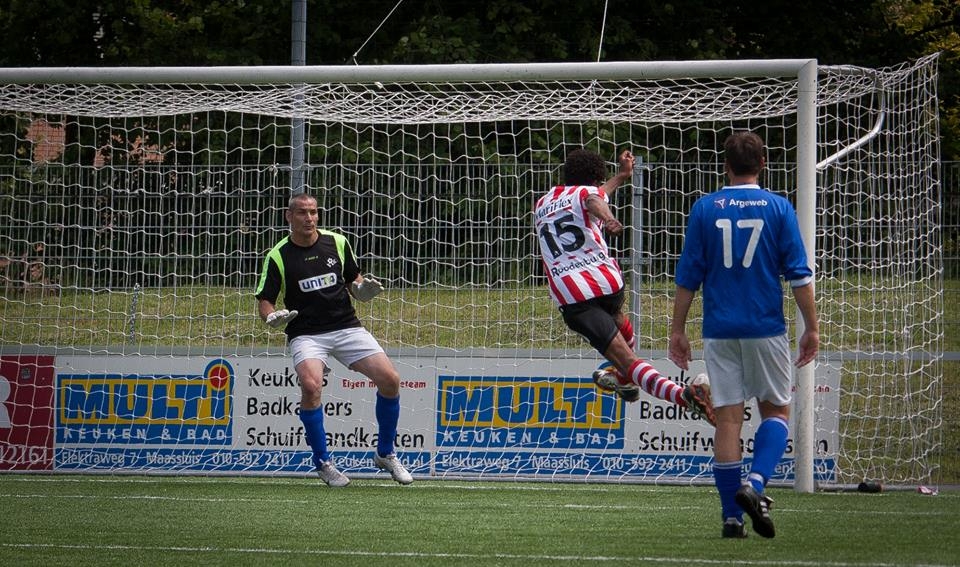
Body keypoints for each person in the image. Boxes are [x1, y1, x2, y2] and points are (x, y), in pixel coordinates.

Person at [669, 131, 819, 539]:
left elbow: (688, 278)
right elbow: (799, 277)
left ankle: (731, 519)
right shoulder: (779, 208)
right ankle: (754, 485)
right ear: (764, 163)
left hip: (719, 329)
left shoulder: (704, 208)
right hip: (765, 327)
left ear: (725, 166)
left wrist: (677, 330)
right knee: (775, 412)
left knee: (729, 422)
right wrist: (812, 327)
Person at [534, 147, 715, 425]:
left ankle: (686, 396)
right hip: (607, 281)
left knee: (628, 361)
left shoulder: (543, 202)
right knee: (616, 318)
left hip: (573, 295)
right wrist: (612, 203)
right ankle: (621, 377)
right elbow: (595, 199)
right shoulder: (585, 194)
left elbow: (594, 197)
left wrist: (616, 188)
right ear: (594, 180)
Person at [255, 192, 413, 487]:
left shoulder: (337, 242)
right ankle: (323, 463)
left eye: (313, 212)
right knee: (311, 385)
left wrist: (362, 291)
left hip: (346, 326)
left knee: (390, 379)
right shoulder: (278, 255)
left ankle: (386, 454)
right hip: (306, 333)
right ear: (289, 217)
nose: (309, 218)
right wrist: (271, 317)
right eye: (302, 213)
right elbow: (265, 299)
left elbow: (355, 280)